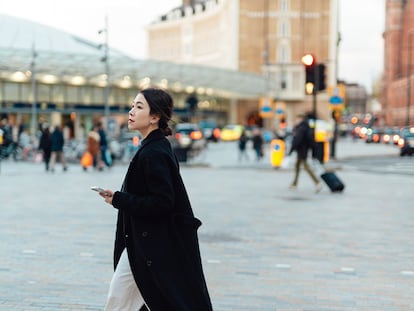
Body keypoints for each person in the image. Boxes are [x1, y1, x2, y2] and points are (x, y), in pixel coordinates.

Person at [97, 88, 213, 311]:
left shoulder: (154, 153)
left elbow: (162, 202)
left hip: (149, 247)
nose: (131, 111)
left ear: (154, 117)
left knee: (120, 301)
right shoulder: (153, 147)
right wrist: (117, 199)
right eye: (133, 105)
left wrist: (120, 200)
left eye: (139, 107)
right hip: (143, 244)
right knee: (122, 301)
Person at [288, 113, 322, 192]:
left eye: (297, 119)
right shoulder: (305, 127)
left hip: (302, 150)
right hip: (303, 150)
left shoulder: (301, 128)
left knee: (306, 167)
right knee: (297, 166)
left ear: (300, 119)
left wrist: (291, 150)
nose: (296, 121)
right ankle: (294, 183)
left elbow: (297, 140)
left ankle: (317, 182)